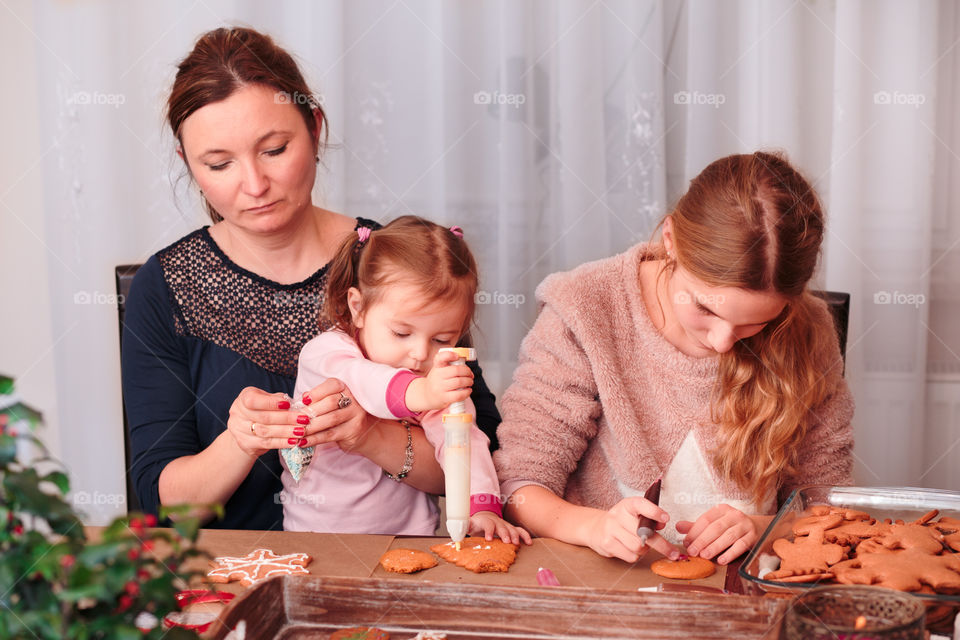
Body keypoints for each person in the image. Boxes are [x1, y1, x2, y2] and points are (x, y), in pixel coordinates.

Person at [121, 27, 500, 530]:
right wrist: (240, 440)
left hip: (384, 566)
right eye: (218, 163)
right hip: (233, 579)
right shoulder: (165, 288)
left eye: (274, 149)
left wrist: (373, 438)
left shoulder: (392, 263)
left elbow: (479, 451)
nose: (254, 185)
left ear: (315, 128)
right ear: (187, 164)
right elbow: (165, 506)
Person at [494, 151, 854, 565]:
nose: (722, 343)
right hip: (601, 594)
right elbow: (519, 487)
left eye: (756, 324)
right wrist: (592, 526)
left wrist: (767, 529)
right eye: (706, 309)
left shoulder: (808, 330)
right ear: (671, 240)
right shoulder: (585, 309)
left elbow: (828, 505)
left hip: (745, 601)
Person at [281, 216, 530, 544]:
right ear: (358, 308)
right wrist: (424, 391)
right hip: (316, 538)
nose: (419, 354)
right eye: (401, 333)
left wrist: (482, 506)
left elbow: (463, 439)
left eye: (442, 339)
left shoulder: (432, 378)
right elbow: (367, 382)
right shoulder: (325, 354)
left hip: (409, 541)